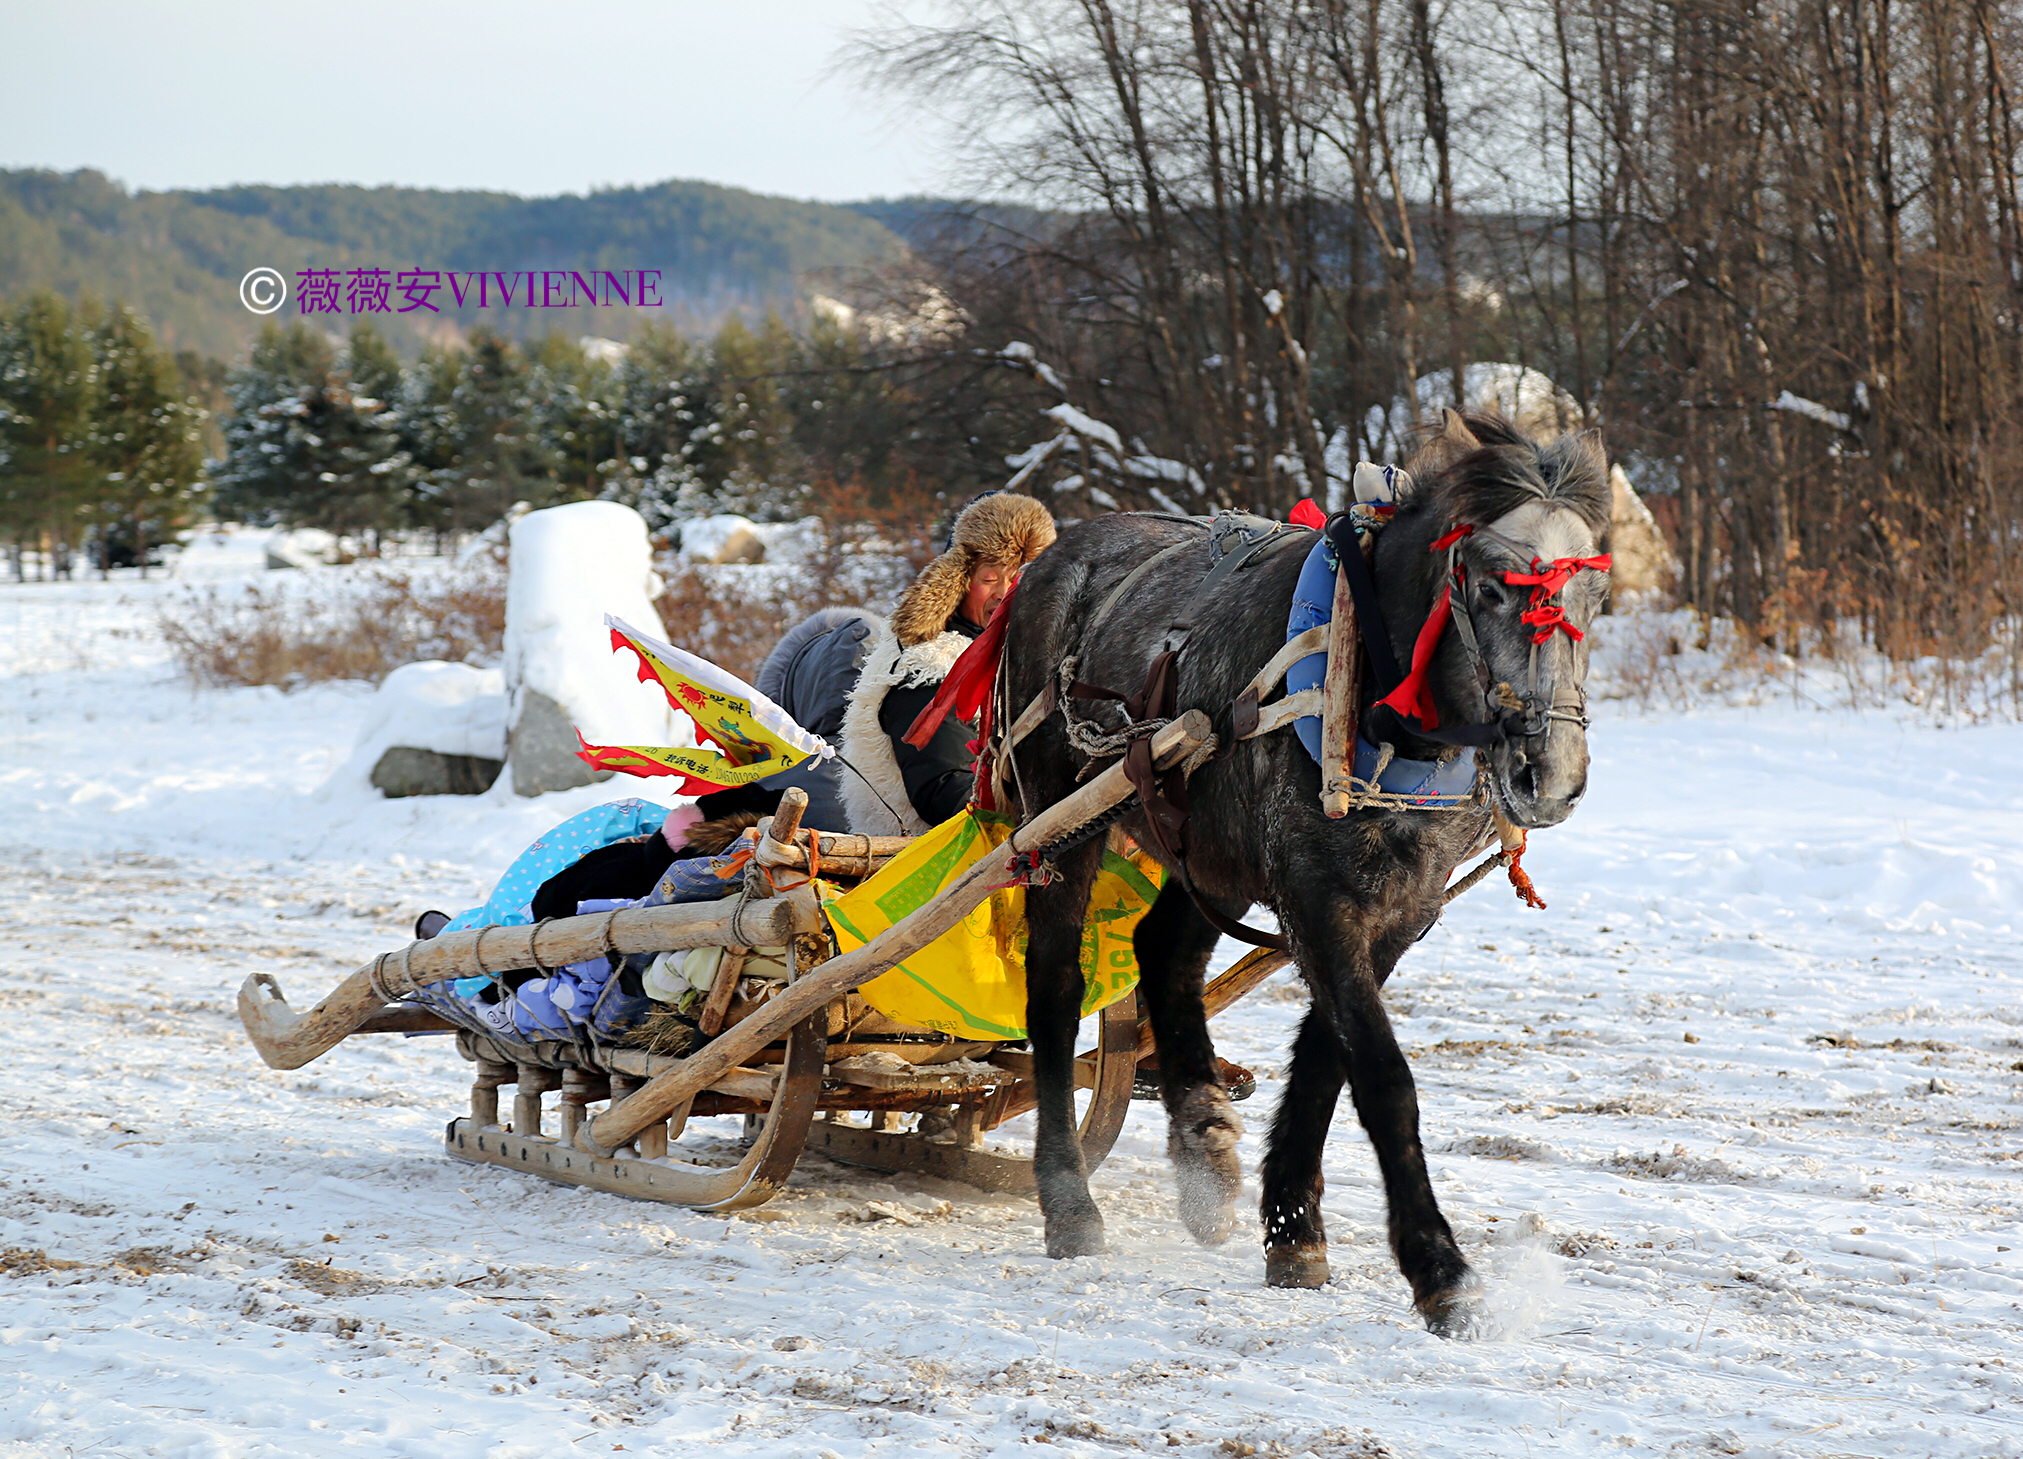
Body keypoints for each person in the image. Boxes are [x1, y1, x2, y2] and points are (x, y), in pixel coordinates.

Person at [837, 492, 1055, 834]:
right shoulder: (930, 665)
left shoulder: (1016, 659)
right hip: (927, 864)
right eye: (990, 578)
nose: (1004, 593)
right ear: (958, 581)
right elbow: (945, 791)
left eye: (1018, 580)